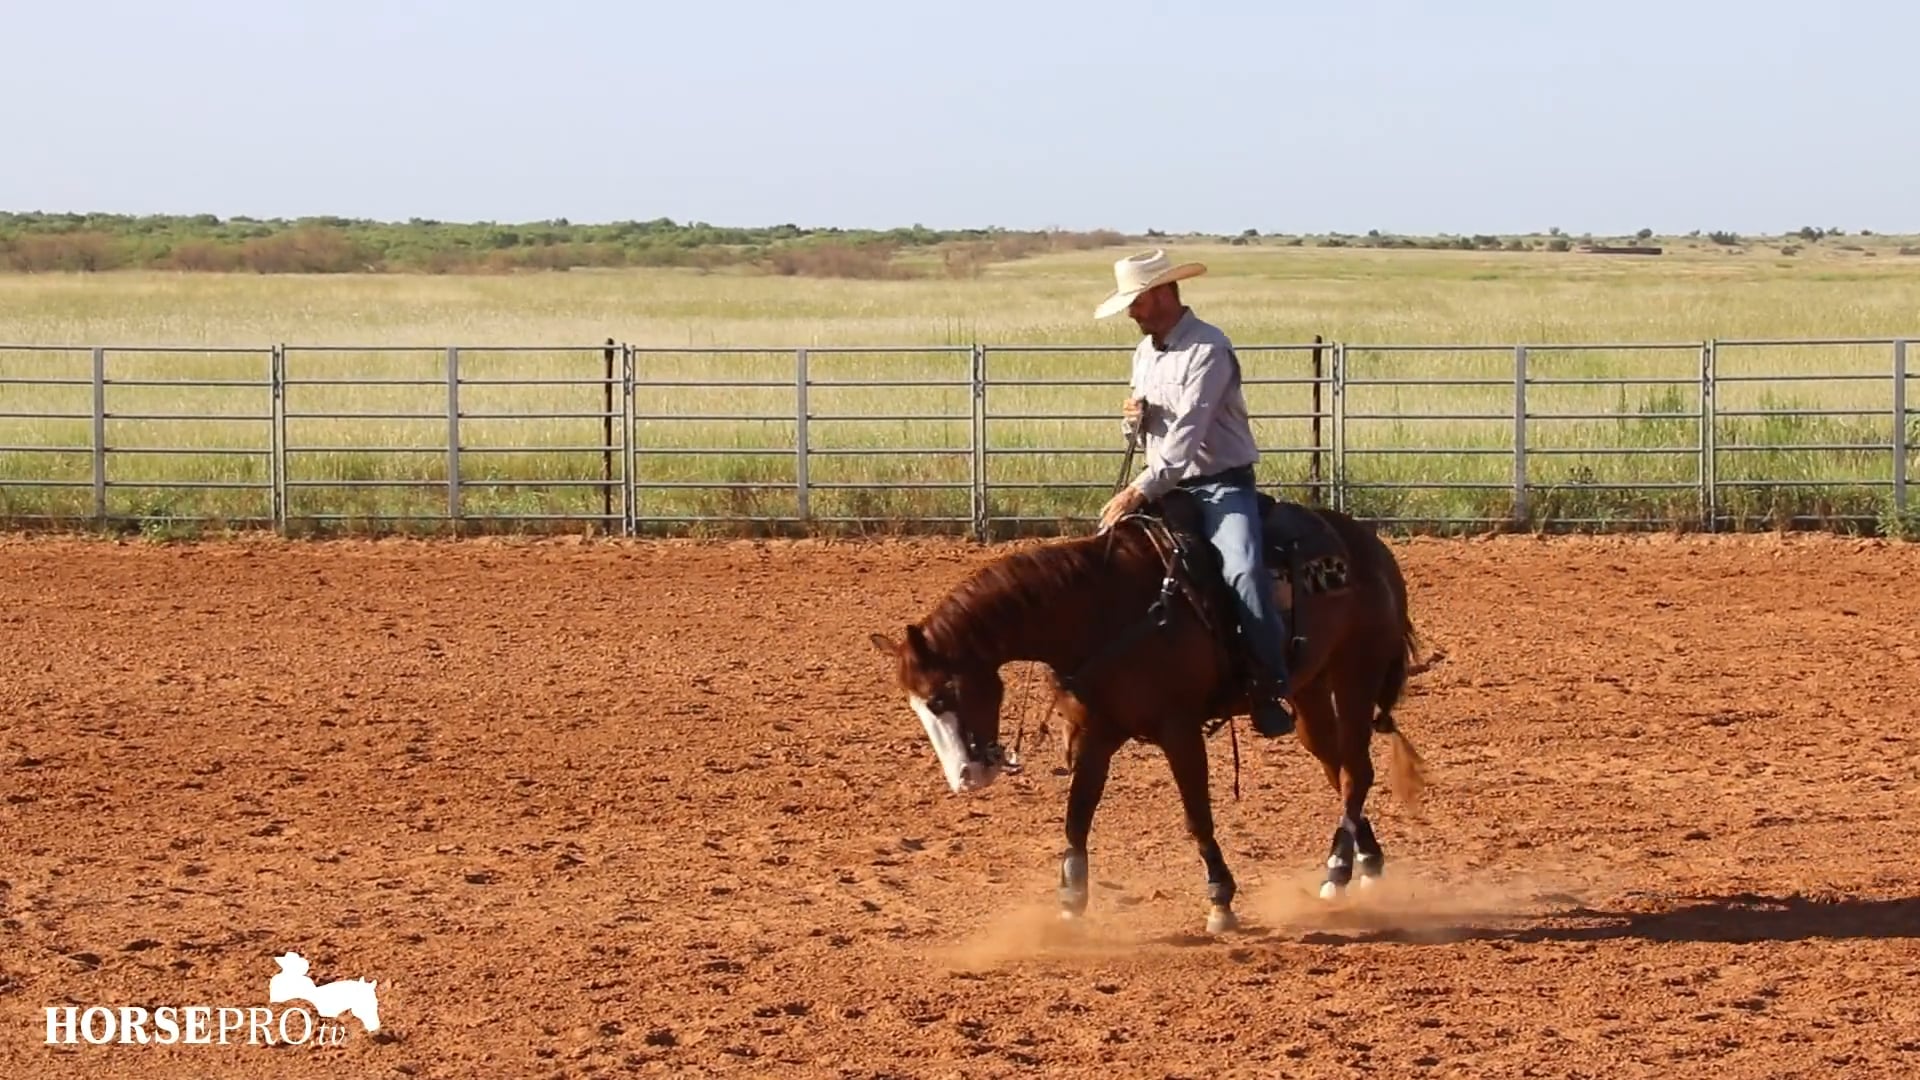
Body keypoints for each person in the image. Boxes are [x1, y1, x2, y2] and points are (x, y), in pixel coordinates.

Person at [1092, 250, 1295, 738]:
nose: (1131, 313)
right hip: (1166, 484)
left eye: (1135, 302)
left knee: (1243, 570)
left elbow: (1185, 437)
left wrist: (1136, 492)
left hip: (1221, 486)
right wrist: (1132, 421)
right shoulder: (1146, 352)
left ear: (1161, 294)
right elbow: (1151, 432)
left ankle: (1270, 684)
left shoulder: (1209, 349)